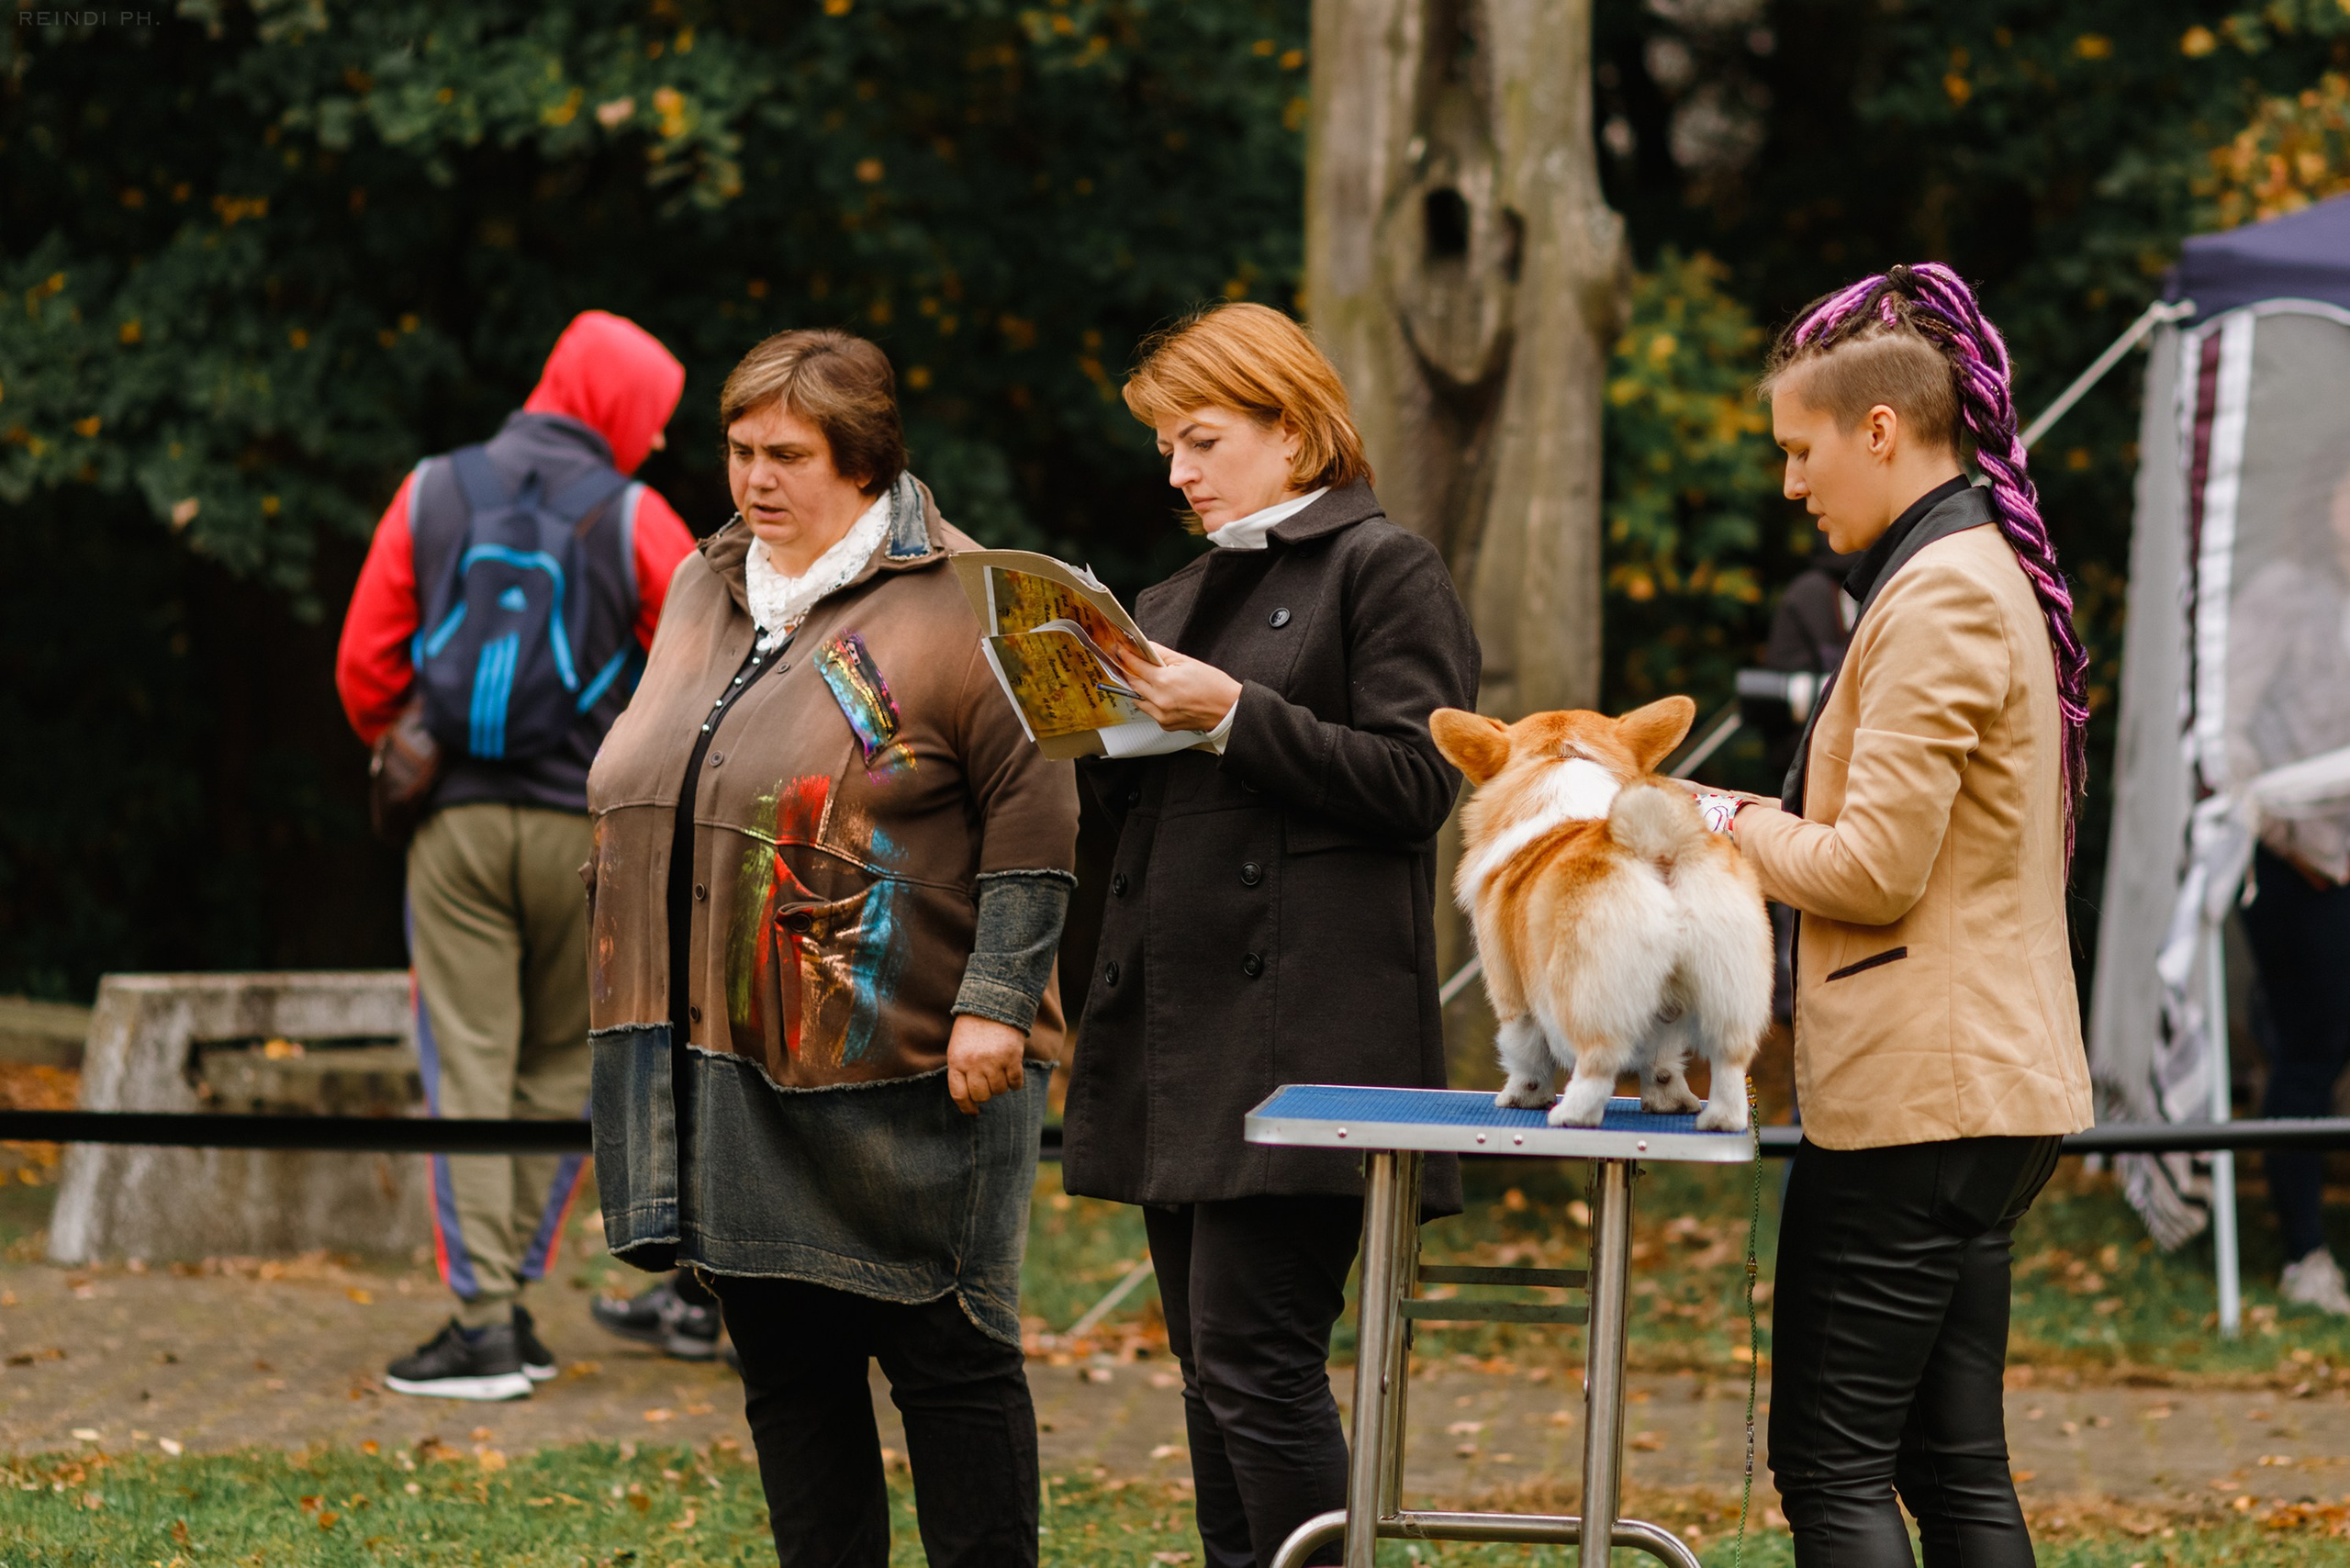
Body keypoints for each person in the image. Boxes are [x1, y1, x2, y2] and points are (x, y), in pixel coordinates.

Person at [583, 328, 1077, 1568]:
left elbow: (1040, 809)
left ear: (863, 460)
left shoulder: (972, 597)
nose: (755, 480)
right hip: (727, 1062)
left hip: (908, 1065)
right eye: (740, 451)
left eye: (787, 455)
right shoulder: (710, 583)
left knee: (947, 1365)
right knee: (788, 1376)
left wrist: (1001, 997)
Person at [1058, 302, 1479, 1568]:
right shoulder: (1171, 595)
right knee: (1210, 1375)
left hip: (1309, 1041)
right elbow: (1144, 828)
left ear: (1291, 431)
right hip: (1174, 1035)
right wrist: (1079, 732)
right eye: (1164, 450)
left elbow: (1421, 783)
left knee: (1256, 1362)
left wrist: (1234, 713)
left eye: (1201, 441)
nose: (1176, 474)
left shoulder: (1384, 566)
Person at [1695, 263, 2095, 1565]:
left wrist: (1710, 820)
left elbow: (1873, 871)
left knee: (1831, 1466)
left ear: (1881, 430)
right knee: (1946, 1462)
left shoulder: (1940, 595)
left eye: (1801, 452)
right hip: (1975, 1092)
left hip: (1926, 1098)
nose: (1793, 483)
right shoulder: (1966, 575)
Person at [336, 309, 694, 1400]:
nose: (660, 441)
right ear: (621, 409)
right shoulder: (637, 515)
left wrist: (413, 741)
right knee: (558, 1064)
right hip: (584, 839)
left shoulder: (432, 489)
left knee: (464, 1063)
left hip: (453, 833)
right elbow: (700, 668)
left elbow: (363, 669)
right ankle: (509, 1299)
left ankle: (483, 1321)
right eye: (658, 420)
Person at [2226, 460, 2350, 1316]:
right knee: (2307, 1057)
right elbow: (2229, 735)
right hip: (2302, 866)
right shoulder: (2281, 591)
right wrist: (2289, 838)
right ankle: (2304, 1257)